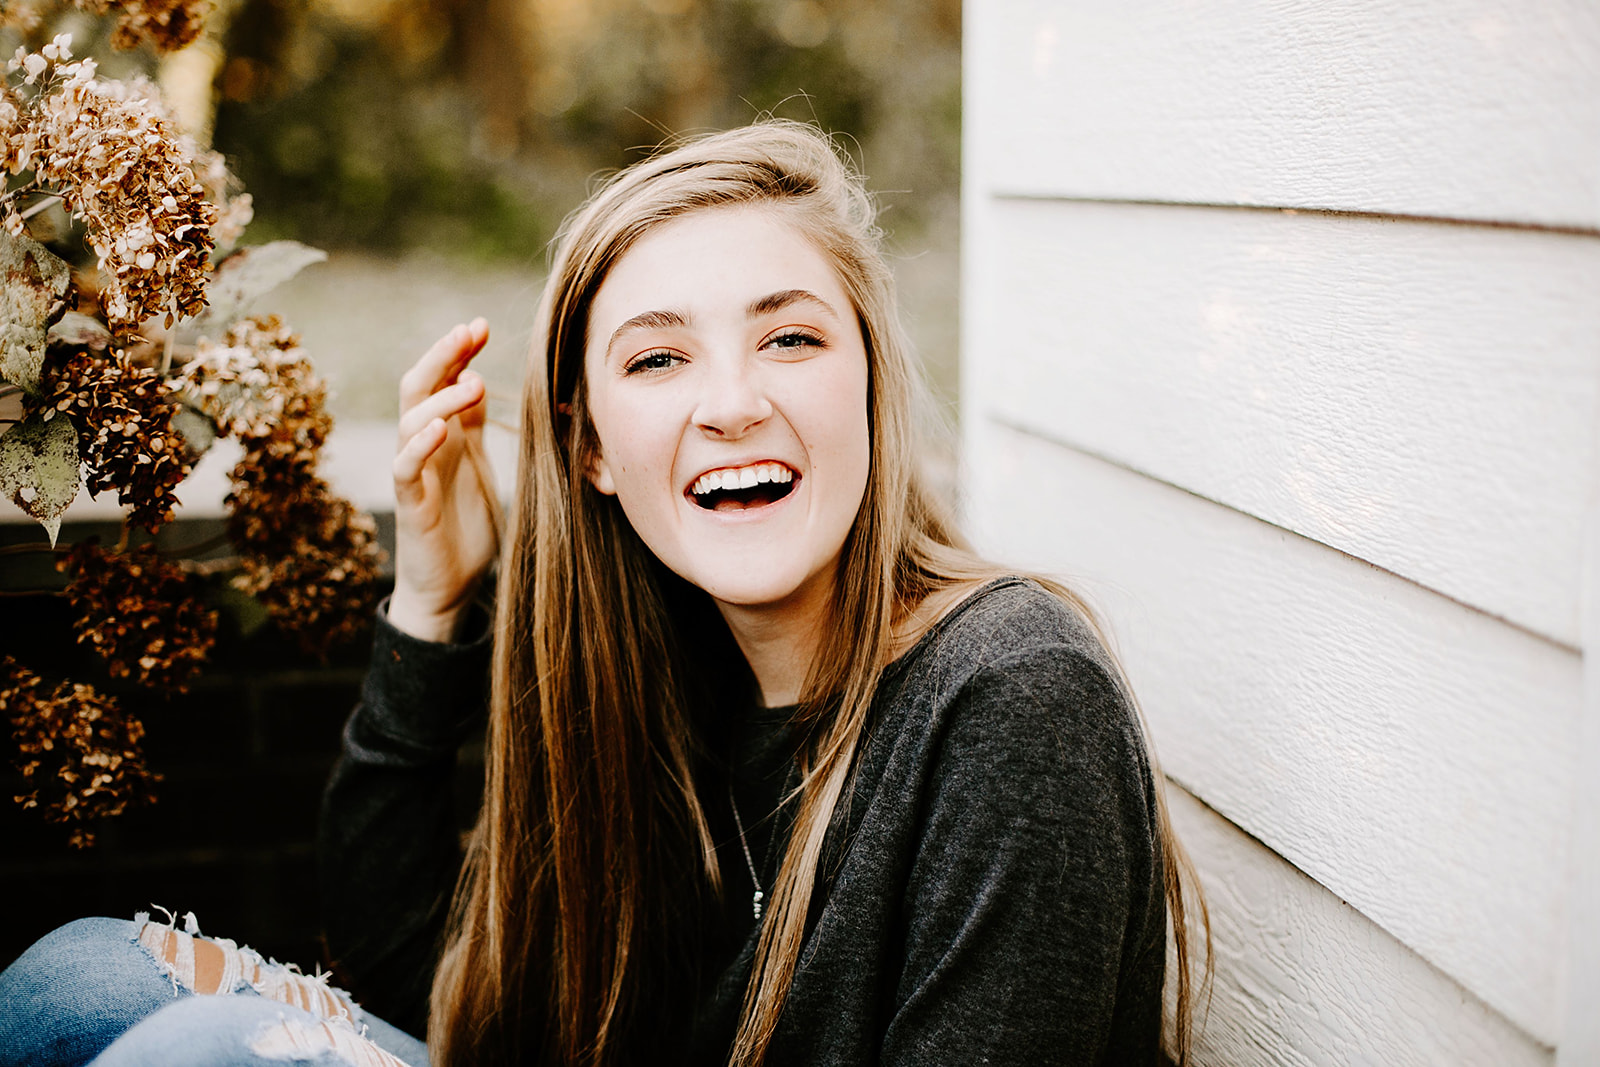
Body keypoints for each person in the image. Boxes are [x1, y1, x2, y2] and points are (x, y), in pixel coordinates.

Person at [0, 121, 1205, 1067]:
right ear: (588, 452)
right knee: (75, 977)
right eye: (658, 357)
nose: (730, 400)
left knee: (212, 1046)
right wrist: (433, 604)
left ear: (871, 386)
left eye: (789, 339)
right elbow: (412, 973)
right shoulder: (671, 674)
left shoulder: (1007, 694)